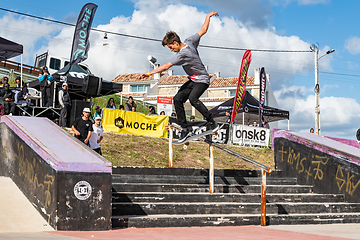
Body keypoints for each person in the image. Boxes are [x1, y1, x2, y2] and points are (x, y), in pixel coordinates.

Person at [139, 12, 220, 142]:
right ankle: (185, 128)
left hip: (203, 80)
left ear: (176, 43)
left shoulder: (183, 54)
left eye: (171, 47)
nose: (171, 50)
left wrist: (149, 73)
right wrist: (208, 16)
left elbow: (166, 67)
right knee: (177, 99)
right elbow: (203, 30)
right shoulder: (190, 41)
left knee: (193, 99)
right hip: (193, 79)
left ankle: (212, 122)